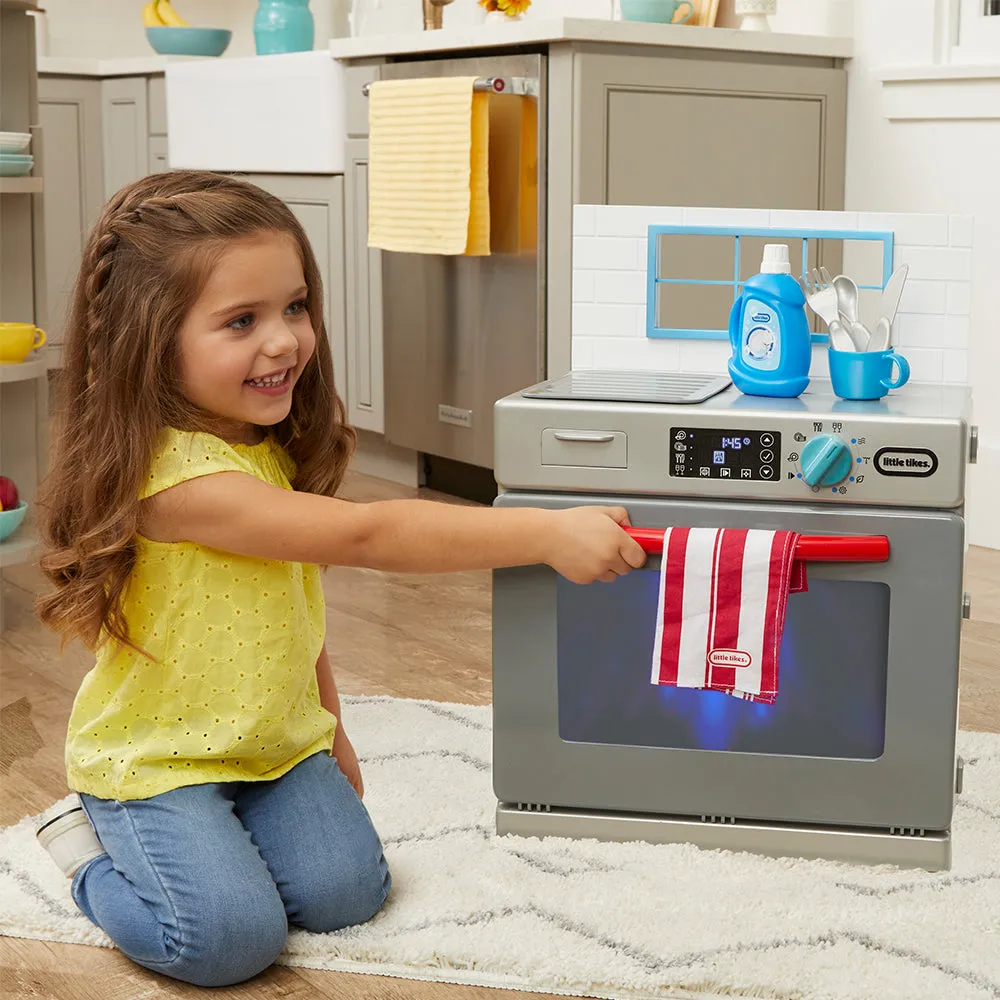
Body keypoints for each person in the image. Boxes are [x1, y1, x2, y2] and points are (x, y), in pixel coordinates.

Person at [32, 171, 646, 988]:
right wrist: (542, 535)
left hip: (271, 748)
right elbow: (369, 532)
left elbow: (293, 608)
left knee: (347, 893)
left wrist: (329, 729)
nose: (284, 339)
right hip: (158, 763)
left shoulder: (261, 446)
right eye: (241, 321)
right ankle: (82, 854)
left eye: (294, 307)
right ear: (152, 340)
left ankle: (234, 832)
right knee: (224, 940)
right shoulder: (179, 485)